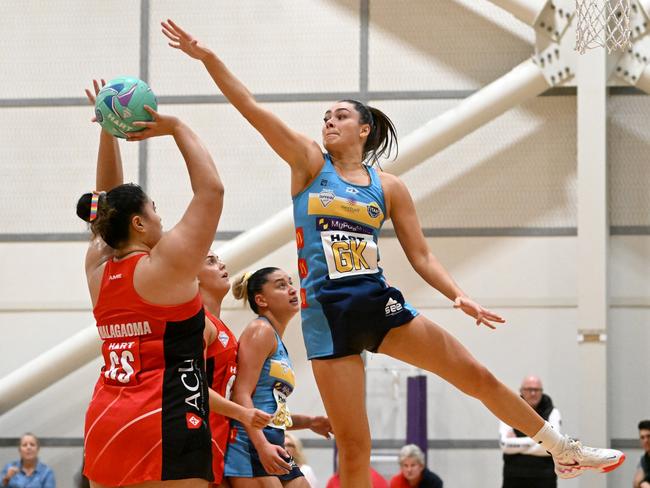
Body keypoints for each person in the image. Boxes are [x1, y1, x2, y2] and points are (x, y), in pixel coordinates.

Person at [160, 19, 625, 487]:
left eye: (340, 116)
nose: (328, 121)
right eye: (325, 116)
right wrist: (209, 59)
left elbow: (421, 257)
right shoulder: (308, 165)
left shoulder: (390, 187)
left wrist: (458, 294)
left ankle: (562, 448)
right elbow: (249, 105)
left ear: (364, 129)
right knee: (355, 446)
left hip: (378, 303)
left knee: (475, 374)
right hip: (327, 315)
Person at [78, 79, 224, 487]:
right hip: (165, 417)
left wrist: (109, 127)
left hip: (106, 420)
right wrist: (176, 127)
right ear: (139, 223)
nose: (161, 218)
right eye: (155, 210)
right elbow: (211, 190)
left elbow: (107, 200)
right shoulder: (167, 267)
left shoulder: (98, 264)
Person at [224, 268, 333, 487]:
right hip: (250, 444)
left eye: (290, 283)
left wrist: (310, 422)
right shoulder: (259, 330)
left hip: (272, 441)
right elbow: (240, 394)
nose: (292, 289)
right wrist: (261, 445)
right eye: (281, 285)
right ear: (261, 299)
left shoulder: (274, 338)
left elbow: (271, 411)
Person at [200, 251, 273, 487]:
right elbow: (192, 388)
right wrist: (243, 414)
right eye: (211, 261)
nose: (221, 264)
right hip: (197, 439)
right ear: (193, 275)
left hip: (220, 439)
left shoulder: (223, 328)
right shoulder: (198, 322)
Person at [499, 376, 560, 488]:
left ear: (541, 392)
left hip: (545, 478)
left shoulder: (553, 412)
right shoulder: (509, 410)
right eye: (529, 389)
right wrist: (543, 442)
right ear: (521, 391)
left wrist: (516, 443)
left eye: (536, 390)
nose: (533, 393)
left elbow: (553, 446)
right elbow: (504, 445)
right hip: (513, 477)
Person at [634, 420, 650, 488]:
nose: (645, 440)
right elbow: (636, 483)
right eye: (642, 437)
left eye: (649, 436)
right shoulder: (642, 460)